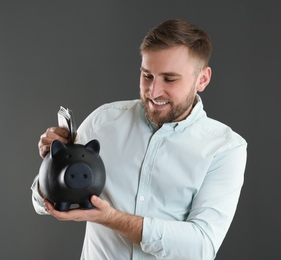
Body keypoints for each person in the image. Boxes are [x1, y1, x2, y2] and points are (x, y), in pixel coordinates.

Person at [31, 19, 247, 260]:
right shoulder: (104, 120)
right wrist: (52, 166)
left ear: (202, 79)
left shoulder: (226, 148)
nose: (153, 92)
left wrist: (111, 219)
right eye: (147, 76)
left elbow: (201, 247)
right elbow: (40, 202)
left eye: (170, 79)